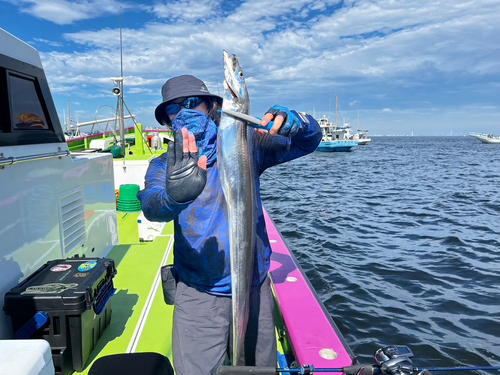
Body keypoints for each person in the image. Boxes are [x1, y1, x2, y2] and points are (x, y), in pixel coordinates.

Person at [138, 75, 321, 375]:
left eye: (191, 103)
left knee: (259, 369)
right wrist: (174, 196)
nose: (183, 112)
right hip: (198, 291)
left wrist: (299, 122)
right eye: (173, 108)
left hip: (253, 285)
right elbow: (151, 206)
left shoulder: (247, 145)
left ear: (211, 107)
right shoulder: (163, 165)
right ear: (167, 120)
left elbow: (308, 141)